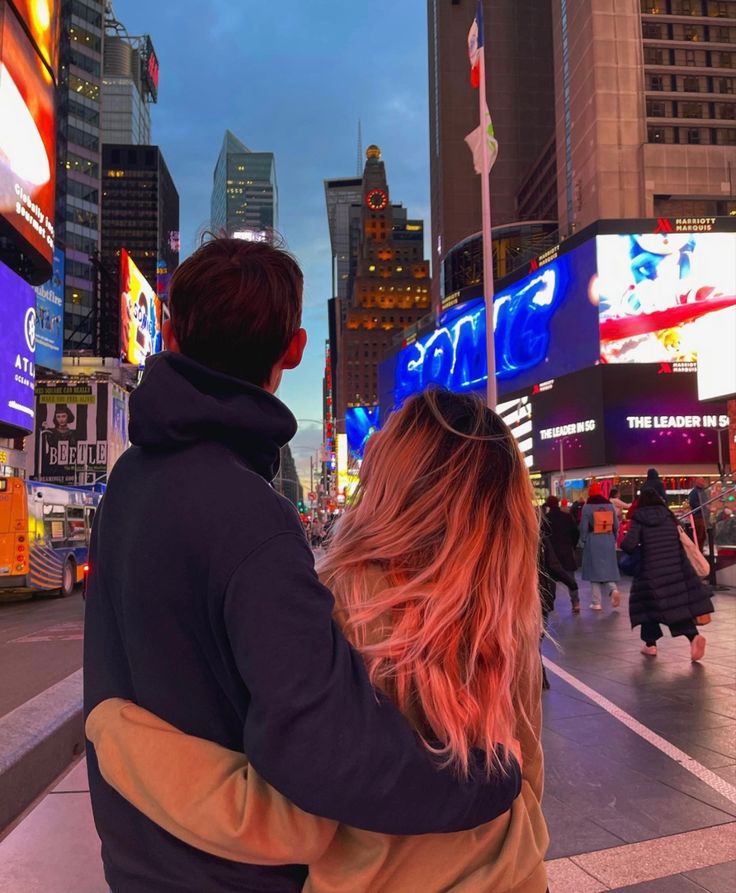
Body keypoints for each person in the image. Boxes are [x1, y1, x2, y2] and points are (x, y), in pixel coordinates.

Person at [83, 240, 524, 893]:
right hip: (233, 877)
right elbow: (323, 752)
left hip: (136, 858)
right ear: (292, 348)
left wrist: (117, 738)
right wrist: (487, 777)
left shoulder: (126, 485)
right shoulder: (253, 519)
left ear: (169, 334)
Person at [622, 488, 713, 660]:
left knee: (647, 606)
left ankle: (653, 644)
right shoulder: (669, 517)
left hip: (649, 573)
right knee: (674, 607)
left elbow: (628, 545)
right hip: (675, 570)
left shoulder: (639, 518)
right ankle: (688, 638)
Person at [579, 482, 621, 611]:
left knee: (594, 571)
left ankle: (596, 602)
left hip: (593, 539)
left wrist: (584, 539)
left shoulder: (587, 507)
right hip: (608, 538)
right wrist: (613, 537)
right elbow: (616, 525)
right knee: (607, 568)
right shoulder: (609, 505)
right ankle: (613, 589)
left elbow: (583, 526)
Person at [543, 495, 580, 614]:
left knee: (551, 579)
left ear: (548, 505)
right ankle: (576, 602)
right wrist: (572, 546)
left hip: (552, 553)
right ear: (558, 503)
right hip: (566, 551)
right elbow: (576, 532)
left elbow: (543, 538)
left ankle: (551, 602)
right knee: (570, 578)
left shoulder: (546, 519)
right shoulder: (567, 517)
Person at [688, 477, 709, 553]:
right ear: (697, 482)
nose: (703, 483)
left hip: (703, 516)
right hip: (698, 517)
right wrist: (704, 506)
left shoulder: (702, 491)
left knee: (703, 535)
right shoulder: (694, 492)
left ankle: (701, 548)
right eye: (701, 481)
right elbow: (693, 503)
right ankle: (698, 550)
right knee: (700, 535)